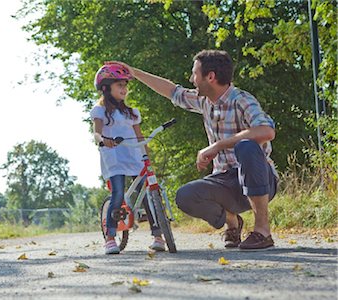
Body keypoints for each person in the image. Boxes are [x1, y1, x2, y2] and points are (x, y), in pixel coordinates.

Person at [110, 49, 278, 250]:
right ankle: (232, 222)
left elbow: (266, 131)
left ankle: (262, 231)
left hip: (260, 180)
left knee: (247, 147)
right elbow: (172, 91)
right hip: (225, 182)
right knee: (185, 196)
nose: (191, 79)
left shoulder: (241, 100)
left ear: (210, 76)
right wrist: (135, 73)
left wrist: (217, 146)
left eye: (195, 74)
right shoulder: (204, 101)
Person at [90, 63, 166, 254]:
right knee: (118, 193)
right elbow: (97, 134)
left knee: (148, 195)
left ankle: (158, 236)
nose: (124, 89)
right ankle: (110, 237)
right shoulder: (100, 111)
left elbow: (140, 137)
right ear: (106, 88)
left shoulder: (132, 113)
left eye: (125, 85)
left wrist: (147, 157)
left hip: (134, 156)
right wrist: (103, 140)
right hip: (114, 157)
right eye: (119, 85)